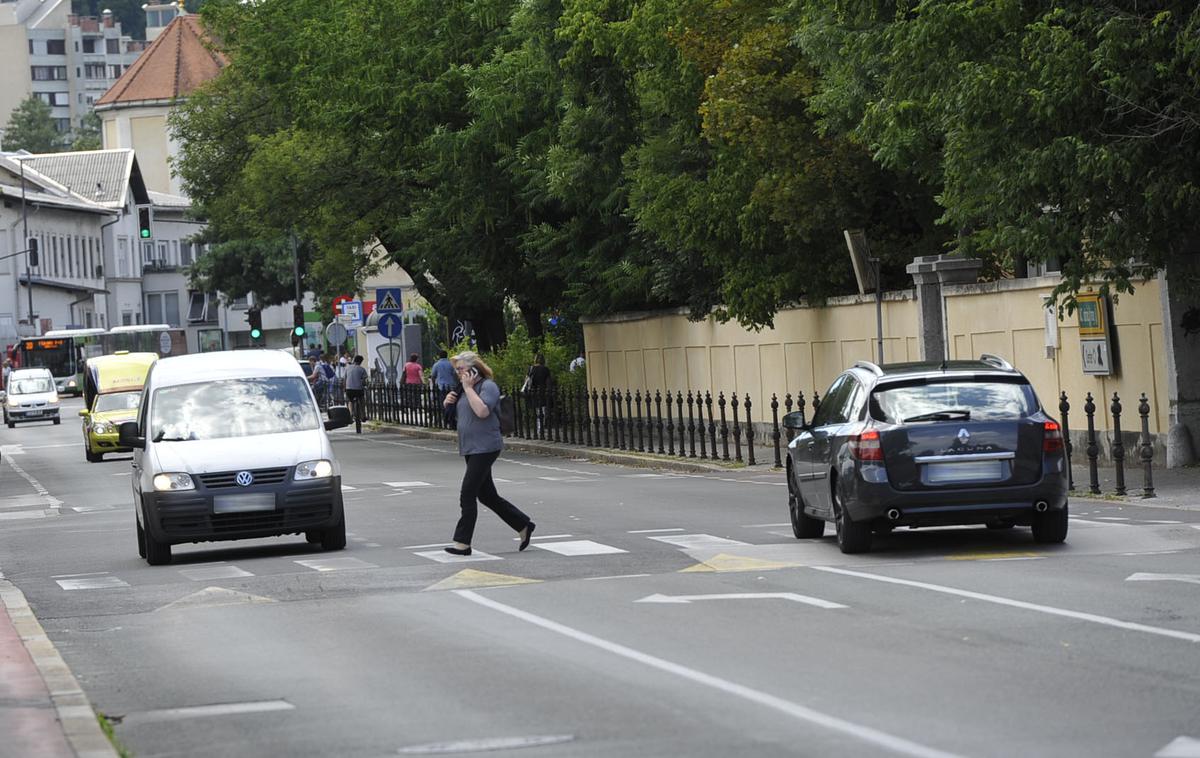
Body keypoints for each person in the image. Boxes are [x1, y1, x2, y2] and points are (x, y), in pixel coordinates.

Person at [442, 351, 535, 556]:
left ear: (474, 369)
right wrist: (449, 402)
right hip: (470, 446)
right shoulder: (463, 389)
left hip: (486, 446)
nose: (458, 373)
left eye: (461, 369)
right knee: (487, 495)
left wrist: (468, 389)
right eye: (456, 370)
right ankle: (523, 524)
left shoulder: (487, 386)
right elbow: (460, 416)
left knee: (468, 492)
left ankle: (462, 543)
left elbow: (482, 411)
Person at [526, 353, 553, 434]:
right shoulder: (545, 369)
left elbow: (527, 380)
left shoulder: (531, 368)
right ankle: (541, 426)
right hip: (542, 391)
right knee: (543, 410)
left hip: (533, 391)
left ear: (535, 359)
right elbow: (548, 382)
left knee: (537, 410)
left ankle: (538, 426)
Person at [344, 355, 369, 422]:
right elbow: (364, 381)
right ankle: (363, 415)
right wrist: (364, 385)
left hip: (349, 390)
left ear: (354, 360)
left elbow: (345, 379)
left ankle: (350, 415)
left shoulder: (347, 368)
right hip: (358, 390)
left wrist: (345, 388)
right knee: (362, 400)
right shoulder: (362, 369)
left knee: (350, 401)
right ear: (360, 362)